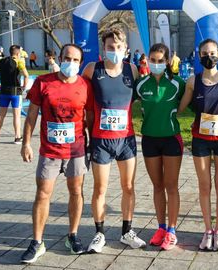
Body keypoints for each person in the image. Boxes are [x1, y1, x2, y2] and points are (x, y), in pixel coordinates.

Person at [19, 44, 91, 263]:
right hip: (49, 150)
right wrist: (25, 143)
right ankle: (37, 242)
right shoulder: (43, 83)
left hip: (76, 149)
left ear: (80, 63)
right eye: (67, 58)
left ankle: (73, 235)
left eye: (76, 60)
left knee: (76, 191)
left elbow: (89, 117)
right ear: (60, 58)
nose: (71, 63)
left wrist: (92, 143)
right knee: (43, 193)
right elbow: (31, 115)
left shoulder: (85, 85)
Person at [82, 28, 146, 253]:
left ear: (126, 49)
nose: (115, 51)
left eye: (119, 47)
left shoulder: (132, 70)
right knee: (100, 188)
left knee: (128, 186)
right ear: (103, 48)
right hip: (101, 141)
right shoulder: (92, 70)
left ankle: (127, 231)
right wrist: (88, 135)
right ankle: (99, 234)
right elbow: (84, 103)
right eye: (110, 47)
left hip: (126, 140)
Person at [178, 39, 218, 251]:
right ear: (199, 56)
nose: (209, 57)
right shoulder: (193, 81)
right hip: (201, 139)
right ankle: (207, 230)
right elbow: (182, 106)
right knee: (205, 185)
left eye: (213, 53)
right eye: (205, 53)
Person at [136, 43, 186, 250]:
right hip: (149, 140)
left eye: (160, 60)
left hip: (171, 139)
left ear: (167, 62)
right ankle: (161, 227)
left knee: (171, 186)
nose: (156, 64)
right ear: (147, 60)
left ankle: (172, 230)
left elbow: (195, 102)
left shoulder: (177, 84)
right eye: (152, 60)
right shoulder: (141, 84)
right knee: (157, 186)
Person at [0, 45, 29, 144]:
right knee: (16, 115)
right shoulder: (19, 62)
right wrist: (24, 86)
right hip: (15, 91)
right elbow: (26, 75)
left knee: (1, 114)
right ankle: (17, 137)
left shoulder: (1, 61)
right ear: (18, 53)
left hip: (3, 91)